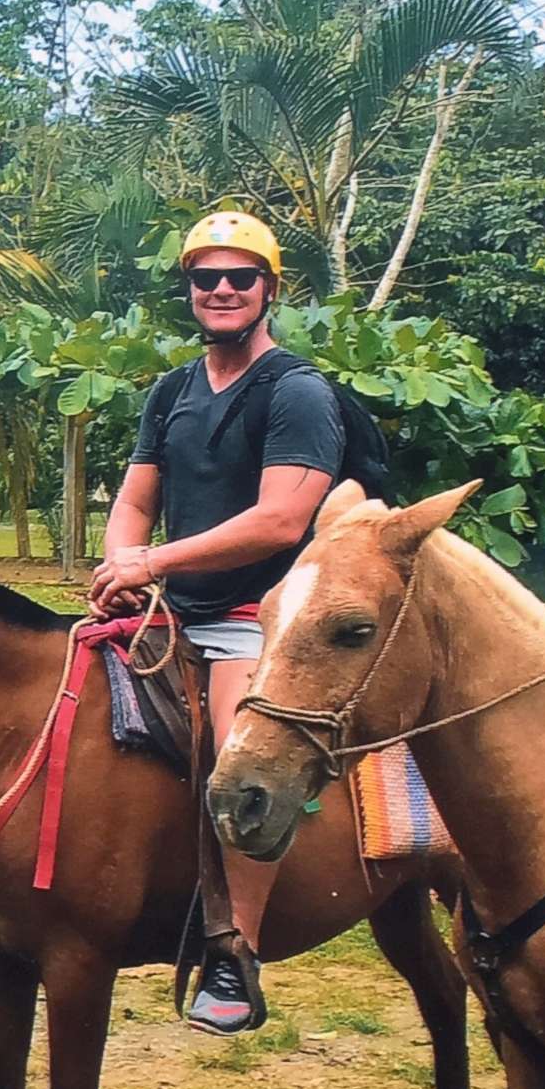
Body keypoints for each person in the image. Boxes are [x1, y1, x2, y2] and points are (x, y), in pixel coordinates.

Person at [88, 211, 343, 1034]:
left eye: (240, 277)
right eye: (206, 278)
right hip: (169, 609)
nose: (222, 290)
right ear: (190, 290)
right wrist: (121, 564)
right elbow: (135, 499)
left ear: (270, 288)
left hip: (260, 614)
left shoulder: (297, 391)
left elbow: (278, 520)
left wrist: (153, 563)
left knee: (246, 768)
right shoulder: (173, 389)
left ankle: (236, 951)